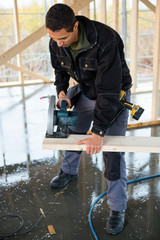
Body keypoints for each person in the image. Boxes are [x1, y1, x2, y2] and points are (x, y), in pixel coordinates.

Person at [45, 3, 132, 235]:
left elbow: (109, 91)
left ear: (75, 26)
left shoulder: (105, 40)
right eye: (54, 39)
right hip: (84, 89)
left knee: (111, 152)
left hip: (113, 96)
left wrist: (98, 132)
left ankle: (117, 207)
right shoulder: (57, 40)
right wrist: (62, 92)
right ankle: (68, 171)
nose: (59, 43)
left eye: (62, 38)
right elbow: (60, 71)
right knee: (70, 131)